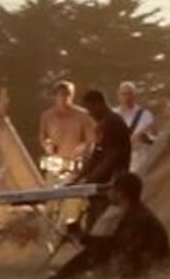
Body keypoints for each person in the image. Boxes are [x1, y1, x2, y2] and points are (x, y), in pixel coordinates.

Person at [33, 172, 170, 279]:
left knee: (91, 256)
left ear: (120, 193)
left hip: (148, 271)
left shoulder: (137, 219)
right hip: (145, 266)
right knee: (92, 256)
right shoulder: (136, 214)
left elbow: (114, 247)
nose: (108, 192)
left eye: (111, 188)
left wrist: (83, 238)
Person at [67, 89, 136, 238]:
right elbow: (96, 156)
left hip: (111, 184)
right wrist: (78, 179)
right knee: (93, 224)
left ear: (98, 104)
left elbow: (111, 157)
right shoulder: (103, 125)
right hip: (100, 185)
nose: (89, 113)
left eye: (90, 108)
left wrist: (90, 179)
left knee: (103, 226)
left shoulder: (113, 123)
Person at [38, 80, 97, 166]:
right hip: (55, 162)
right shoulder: (47, 116)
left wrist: (82, 148)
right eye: (61, 94)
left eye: (68, 94)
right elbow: (42, 136)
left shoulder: (83, 116)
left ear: (72, 95)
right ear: (55, 96)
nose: (64, 97)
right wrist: (47, 145)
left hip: (76, 162)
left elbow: (91, 139)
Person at [114, 81, 157, 145]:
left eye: (130, 94)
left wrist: (146, 137)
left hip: (140, 150)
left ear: (135, 95)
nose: (127, 97)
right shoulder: (112, 114)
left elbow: (154, 137)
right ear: (118, 95)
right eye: (124, 94)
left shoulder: (145, 115)